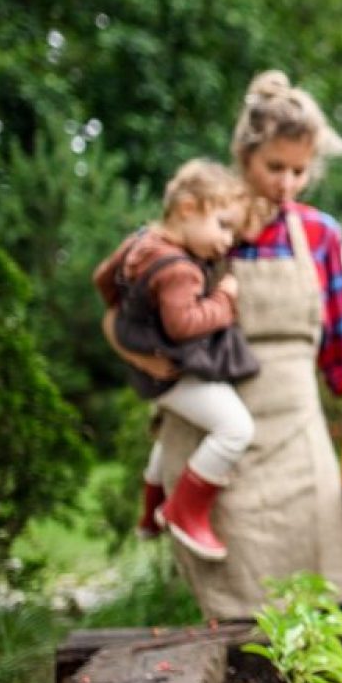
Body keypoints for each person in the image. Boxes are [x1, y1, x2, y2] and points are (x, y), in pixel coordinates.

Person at [105, 70, 342, 619]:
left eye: (299, 170)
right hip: (218, 441)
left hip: (297, 433)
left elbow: (340, 342)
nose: (287, 182)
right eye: (274, 168)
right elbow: (133, 310)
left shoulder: (318, 234)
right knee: (237, 606)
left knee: (335, 589)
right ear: (244, 155)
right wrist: (136, 354)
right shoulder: (207, 229)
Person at [93, 159, 260, 561]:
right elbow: (185, 325)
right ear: (187, 208)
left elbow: (102, 278)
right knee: (236, 429)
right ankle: (184, 510)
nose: (226, 242)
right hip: (174, 373)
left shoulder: (141, 242)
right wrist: (225, 300)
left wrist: (131, 325)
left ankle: (150, 512)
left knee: (169, 439)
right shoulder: (179, 269)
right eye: (222, 225)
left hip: (150, 372)